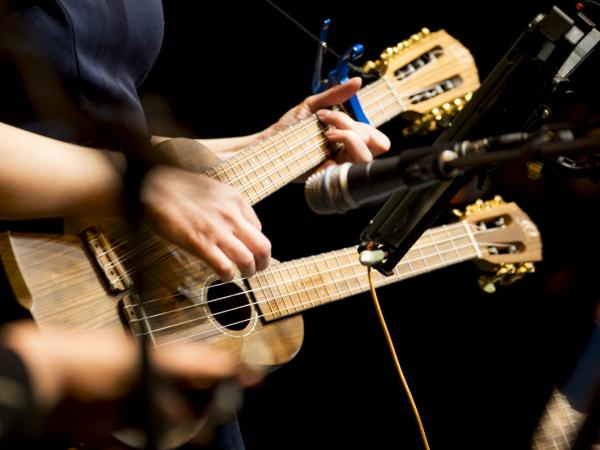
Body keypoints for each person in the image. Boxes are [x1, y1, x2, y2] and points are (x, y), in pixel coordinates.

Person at [0, 1, 390, 448]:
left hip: (142, 302)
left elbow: (89, 132)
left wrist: (264, 148)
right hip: (31, 296)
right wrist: (136, 185)